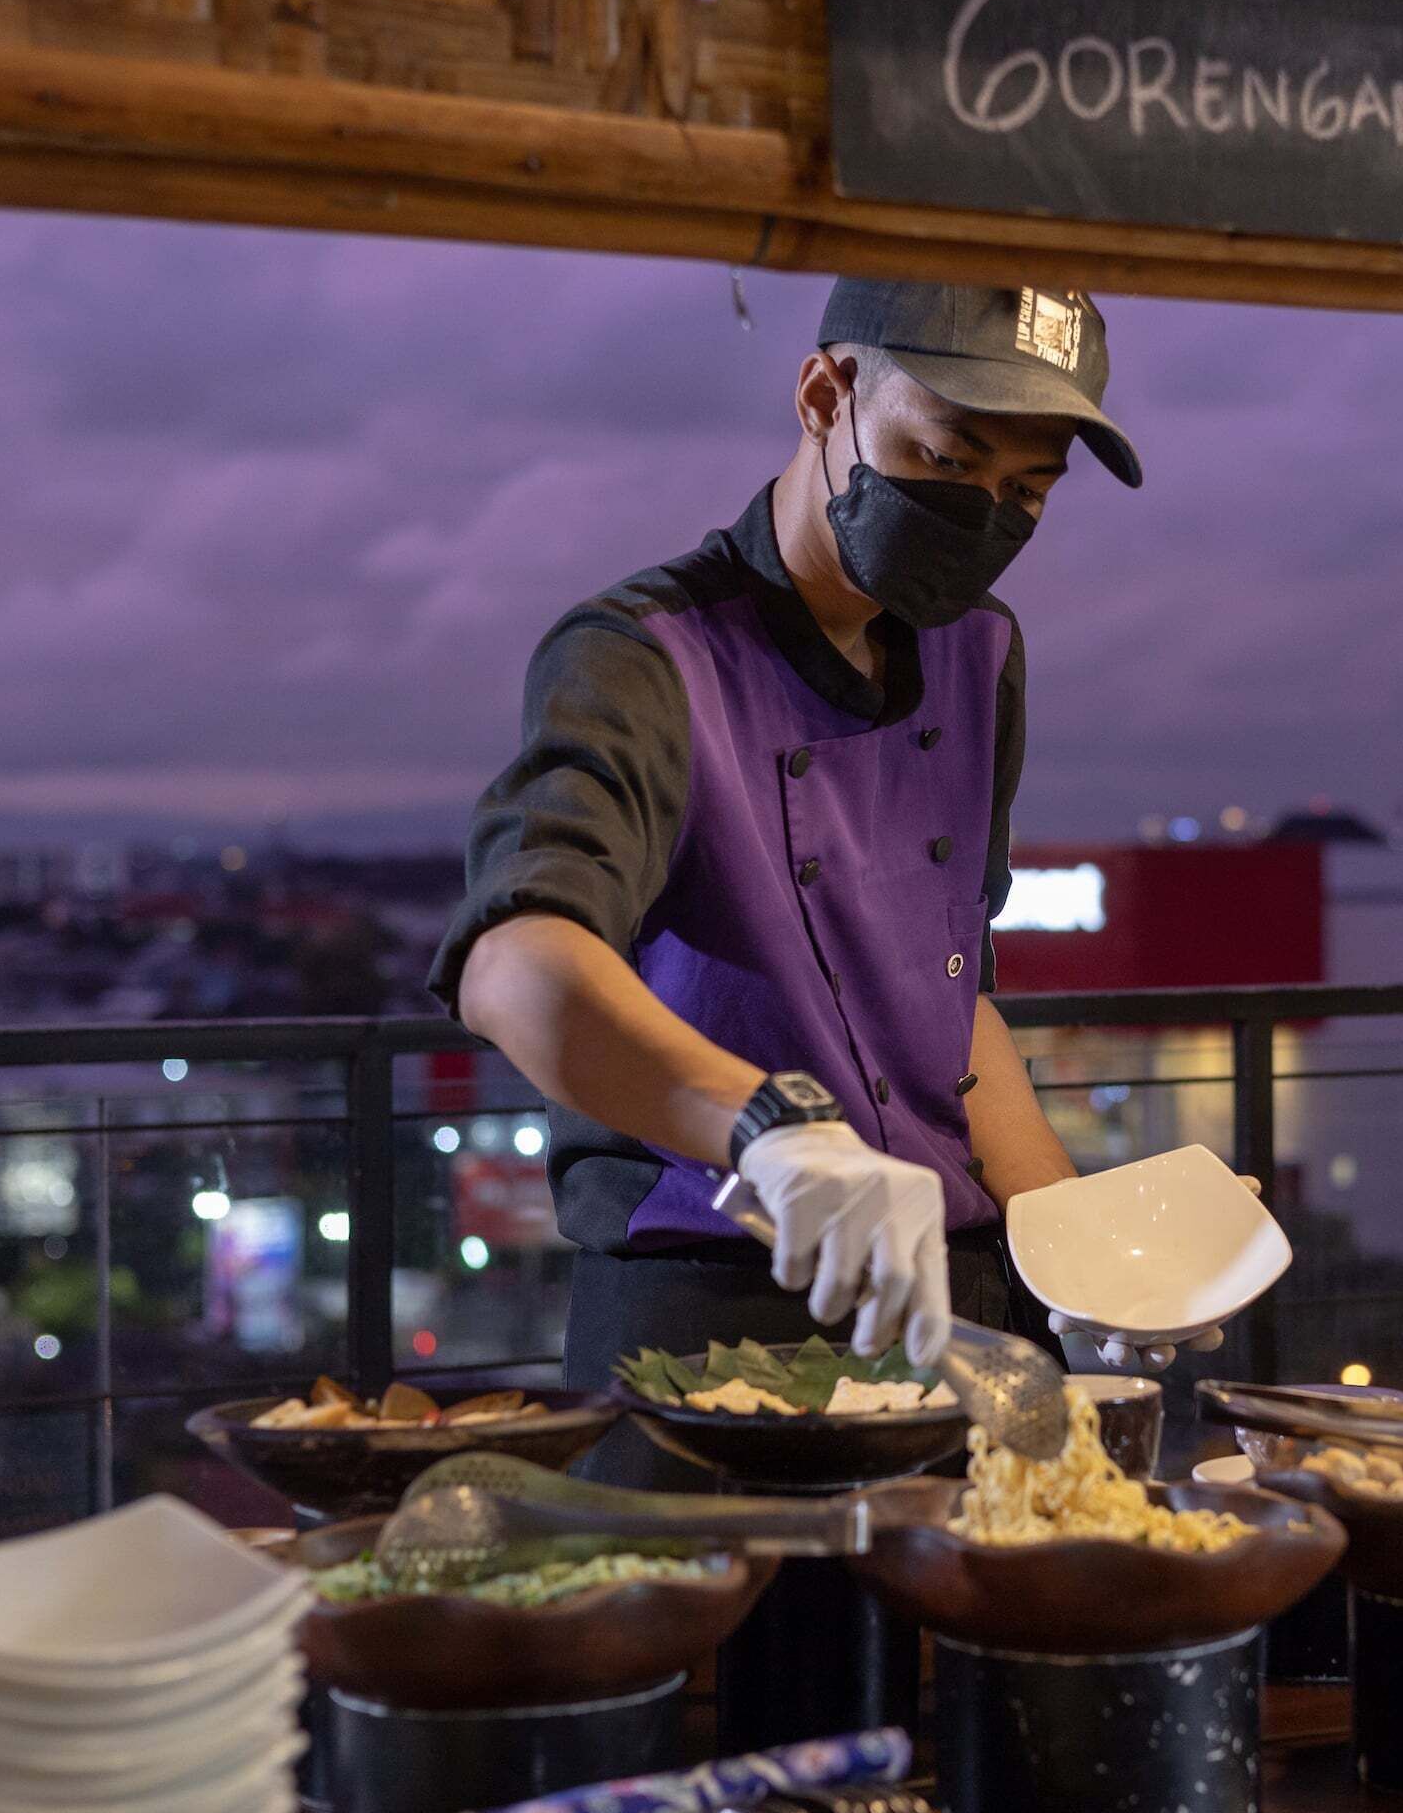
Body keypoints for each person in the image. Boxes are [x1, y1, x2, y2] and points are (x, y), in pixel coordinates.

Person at [429, 279, 1141, 1465]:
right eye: (947, 458)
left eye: (1025, 492)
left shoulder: (984, 654)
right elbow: (515, 963)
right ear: (825, 394)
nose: (983, 515)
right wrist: (769, 1131)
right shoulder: (644, 656)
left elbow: (952, 997)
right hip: (707, 1328)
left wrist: (1080, 1250)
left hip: (958, 1303)